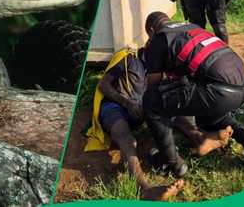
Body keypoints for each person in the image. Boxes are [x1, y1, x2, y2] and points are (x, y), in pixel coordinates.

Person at [87, 48, 231, 200]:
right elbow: (103, 85)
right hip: (115, 107)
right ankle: (143, 188)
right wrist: (128, 103)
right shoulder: (127, 58)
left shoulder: (157, 68)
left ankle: (200, 138)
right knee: (127, 139)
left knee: (170, 111)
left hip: (140, 110)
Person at [142, 11, 244, 178]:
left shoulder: (159, 39)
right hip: (242, 87)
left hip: (218, 89)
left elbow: (153, 85)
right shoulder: (191, 27)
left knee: (152, 101)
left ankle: (171, 162)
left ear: (152, 30)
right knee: (207, 112)